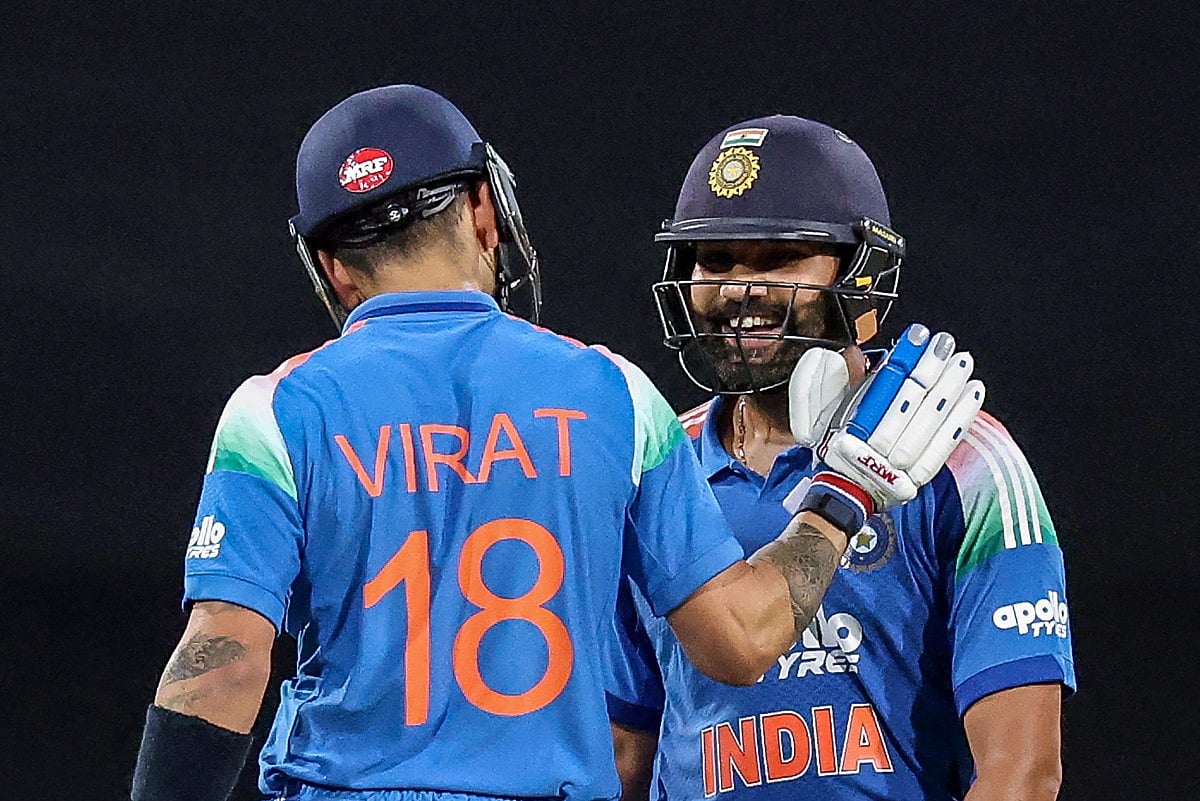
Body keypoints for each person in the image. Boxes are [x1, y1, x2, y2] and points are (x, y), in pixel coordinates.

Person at [128, 89, 982, 801]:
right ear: (483, 210)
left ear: (333, 266)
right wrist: (843, 495)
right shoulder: (615, 397)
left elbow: (223, 666)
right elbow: (742, 640)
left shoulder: (276, 412)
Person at [606, 116, 1076, 801]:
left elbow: (1021, 773)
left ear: (862, 275)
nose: (738, 289)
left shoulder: (966, 463)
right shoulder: (655, 466)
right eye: (716, 260)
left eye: (779, 259)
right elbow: (624, 752)